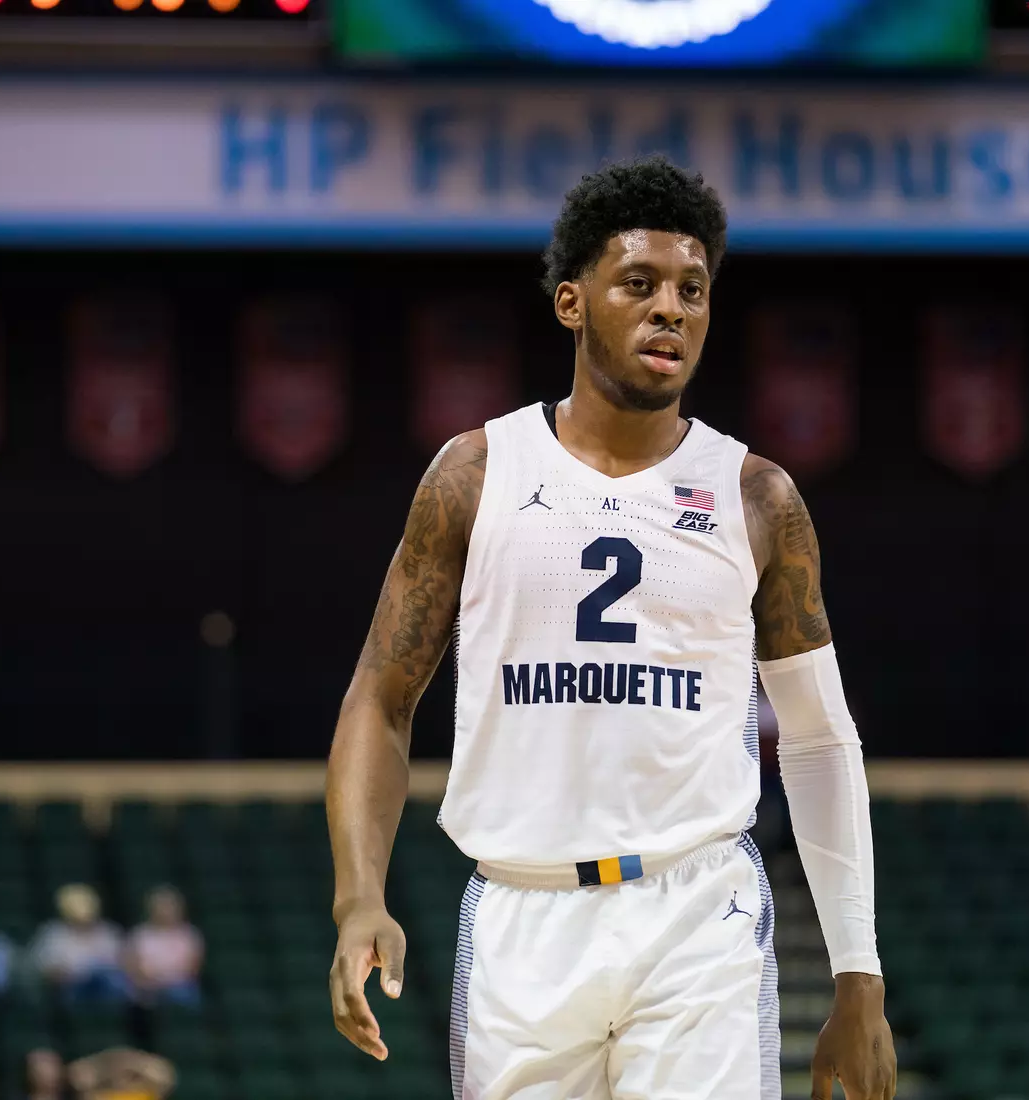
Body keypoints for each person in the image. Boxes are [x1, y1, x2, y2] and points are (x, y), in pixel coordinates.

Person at [327, 156, 894, 1100]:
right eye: (639, 284)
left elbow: (822, 740)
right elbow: (379, 702)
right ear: (571, 303)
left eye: (692, 290)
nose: (670, 308)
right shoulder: (474, 476)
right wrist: (357, 899)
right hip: (522, 913)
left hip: (695, 910)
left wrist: (858, 973)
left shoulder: (757, 499)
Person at [32, 884, 132, 1004]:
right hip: (73, 988)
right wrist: (78, 974)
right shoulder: (53, 934)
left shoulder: (109, 932)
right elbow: (48, 971)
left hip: (108, 986)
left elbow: (125, 965)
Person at [125, 886, 203, 1006]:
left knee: (182, 993)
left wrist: (167, 980)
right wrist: (154, 980)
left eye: (170, 906)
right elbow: (134, 967)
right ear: (151, 909)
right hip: (148, 987)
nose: (166, 911)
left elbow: (192, 968)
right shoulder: (140, 934)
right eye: (161, 906)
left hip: (180, 985)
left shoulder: (190, 934)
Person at [67, 1048, 176, 1100]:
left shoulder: (148, 1094)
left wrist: (138, 1066)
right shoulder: (97, 1096)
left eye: (131, 1077)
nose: (123, 1081)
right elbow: (79, 1076)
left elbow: (164, 1079)